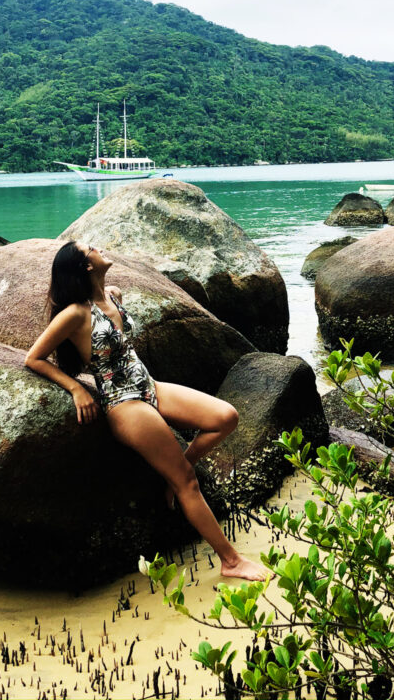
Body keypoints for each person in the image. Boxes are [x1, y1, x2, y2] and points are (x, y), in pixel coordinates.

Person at [25, 240, 267, 581]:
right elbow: (33, 358)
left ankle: (175, 475)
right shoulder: (74, 314)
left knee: (226, 417)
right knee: (187, 482)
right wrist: (77, 388)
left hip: (149, 387)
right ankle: (230, 561)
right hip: (124, 404)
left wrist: (113, 298)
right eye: (91, 248)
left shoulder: (112, 295)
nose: (99, 248)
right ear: (86, 266)